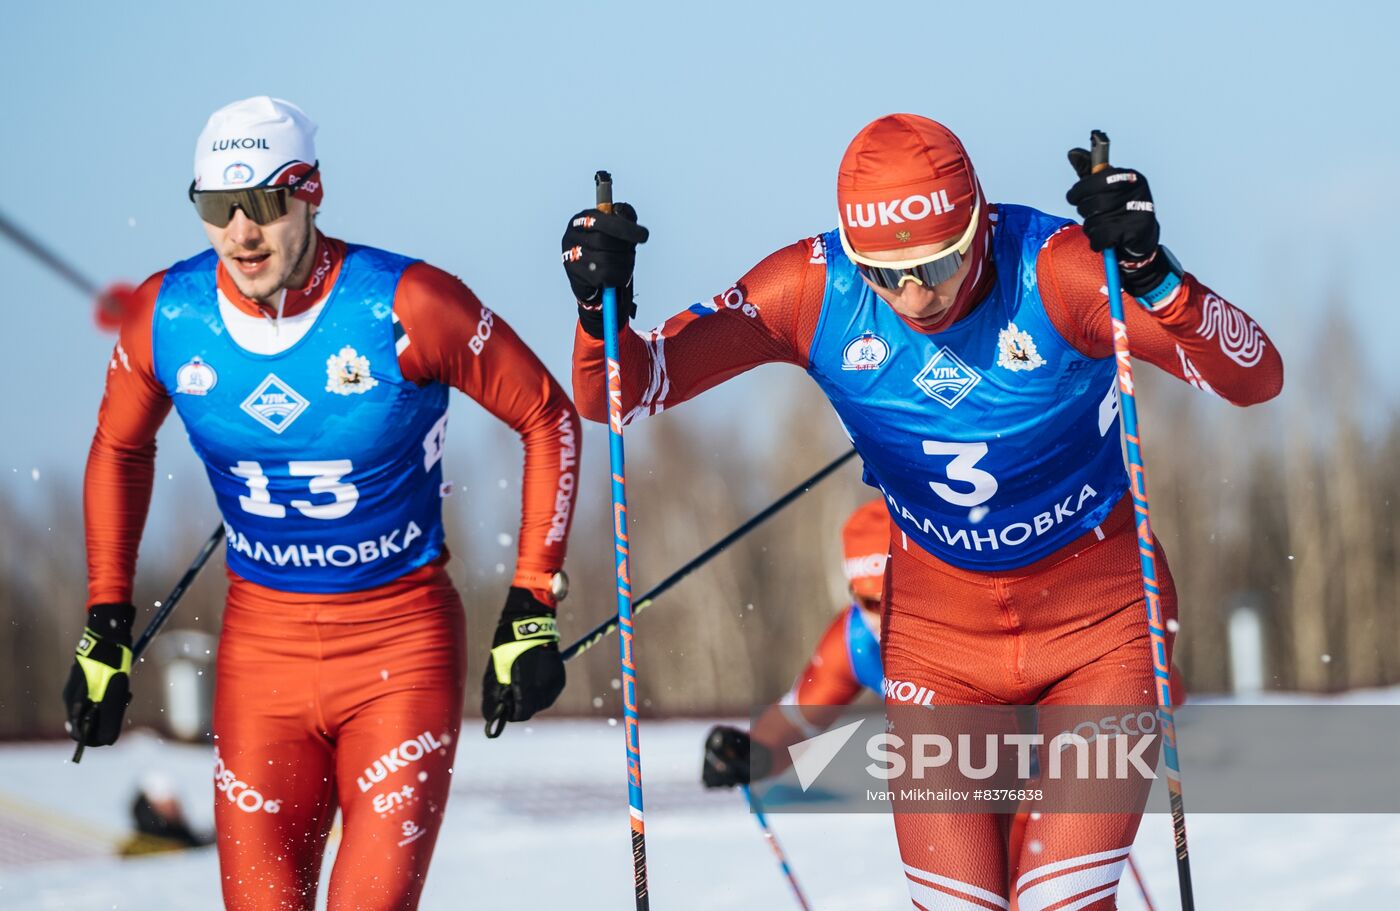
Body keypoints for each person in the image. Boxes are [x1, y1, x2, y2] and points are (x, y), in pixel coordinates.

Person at [559, 114, 1281, 909]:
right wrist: (602, 315)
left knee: (1058, 897)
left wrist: (1151, 274)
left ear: (979, 221)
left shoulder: (1057, 269)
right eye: (883, 273)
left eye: (939, 262)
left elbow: (1254, 377)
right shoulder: (810, 288)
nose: (915, 295)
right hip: (940, 642)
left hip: (1099, 625)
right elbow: (619, 392)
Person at [63, 96, 580, 911]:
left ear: (310, 192)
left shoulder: (407, 304)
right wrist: (106, 620)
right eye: (214, 208)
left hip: (398, 648)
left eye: (263, 202)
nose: (241, 233)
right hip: (260, 654)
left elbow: (547, 414)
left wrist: (532, 599)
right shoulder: (169, 315)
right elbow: (119, 447)